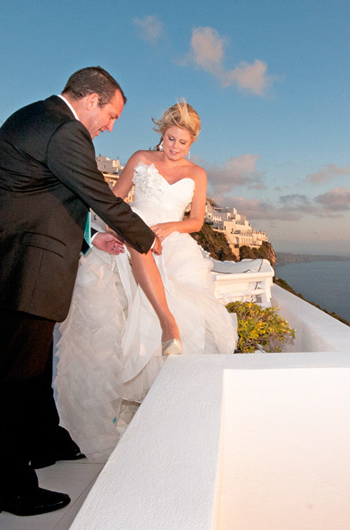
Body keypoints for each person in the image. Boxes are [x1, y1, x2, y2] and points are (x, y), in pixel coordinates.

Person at [0, 67, 160, 517]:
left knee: (34, 364)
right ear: (91, 100)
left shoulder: (37, 118)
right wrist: (144, 237)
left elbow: (46, 196)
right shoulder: (66, 131)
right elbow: (97, 194)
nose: (110, 125)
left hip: (14, 263)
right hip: (23, 269)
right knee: (15, 378)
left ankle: (44, 440)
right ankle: (6, 489)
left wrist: (91, 238)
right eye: (112, 115)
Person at [53, 100, 237, 459]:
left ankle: (166, 403)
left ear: (192, 143)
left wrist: (170, 226)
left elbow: (197, 221)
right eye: (170, 139)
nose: (174, 147)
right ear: (162, 134)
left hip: (171, 246)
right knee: (117, 319)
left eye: (182, 142)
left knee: (184, 314)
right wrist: (111, 231)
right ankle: (121, 404)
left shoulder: (197, 174)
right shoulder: (140, 159)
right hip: (132, 236)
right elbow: (112, 199)